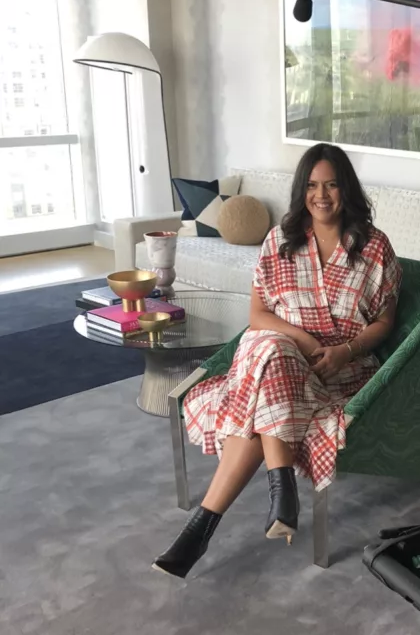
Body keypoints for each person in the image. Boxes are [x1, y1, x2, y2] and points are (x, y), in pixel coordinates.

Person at [153, 144, 401, 578]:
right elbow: (258, 316)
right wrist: (302, 339)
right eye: (310, 185)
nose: (320, 195)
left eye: (331, 184)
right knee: (269, 347)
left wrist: (345, 350)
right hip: (282, 355)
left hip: (339, 371)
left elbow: (383, 323)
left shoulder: (375, 247)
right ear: (300, 190)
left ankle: (203, 527)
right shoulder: (280, 241)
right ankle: (280, 484)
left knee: (262, 377)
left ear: (347, 189)